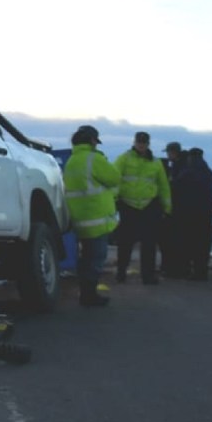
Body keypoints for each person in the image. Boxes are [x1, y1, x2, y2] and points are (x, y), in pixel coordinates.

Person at [62, 125, 122, 307]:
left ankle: (85, 293)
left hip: (80, 219)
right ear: (92, 140)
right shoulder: (94, 159)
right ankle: (89, 296)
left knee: (85, 258)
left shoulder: (72, 161)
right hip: (98, 219)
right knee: (96, 259)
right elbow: (114, 178)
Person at [113, 131, 172, 285]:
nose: (141, 145)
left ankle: (148, 276)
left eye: (144, 142)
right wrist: (114, 201)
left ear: (148, 144)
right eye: (139, 142)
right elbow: (114, 179)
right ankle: (121, 272)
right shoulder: (124, 159)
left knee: (149, 243)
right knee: (125, 242)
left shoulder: (155, 163)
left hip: (148, 205)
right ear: (134, 142)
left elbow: (163, 186)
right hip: (128, 205)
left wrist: (167, 208)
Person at [179, 148, 212, 280]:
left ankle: (190, 269)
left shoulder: (187, 173)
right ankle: (202, 270)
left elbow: (178, 190)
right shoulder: (208, 173)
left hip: (190, 213)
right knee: (204, 243)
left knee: (189, 242)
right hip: (206, 213)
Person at [159, 142, 189, 278]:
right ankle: (177, 268)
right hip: (181, 210)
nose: (168, 155)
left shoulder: (180, 166)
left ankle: (174, 269)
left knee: (173, 241)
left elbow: (175, 186)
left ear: (173, 152)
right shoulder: (183, 165)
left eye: (168, 152)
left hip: (178, 210)